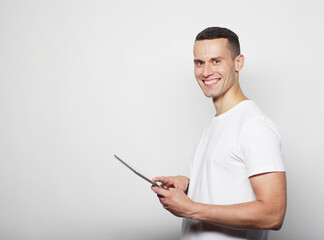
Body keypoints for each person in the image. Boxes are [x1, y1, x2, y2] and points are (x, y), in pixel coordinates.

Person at [151, 27, 287, 240]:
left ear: (238, 63)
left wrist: (191, 208)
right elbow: (228, 184)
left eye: (216, 61)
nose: (205, 72)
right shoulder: (216, 124)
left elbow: (273, 214)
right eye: (199, 63)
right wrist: (190, 186)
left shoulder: (254, 126)